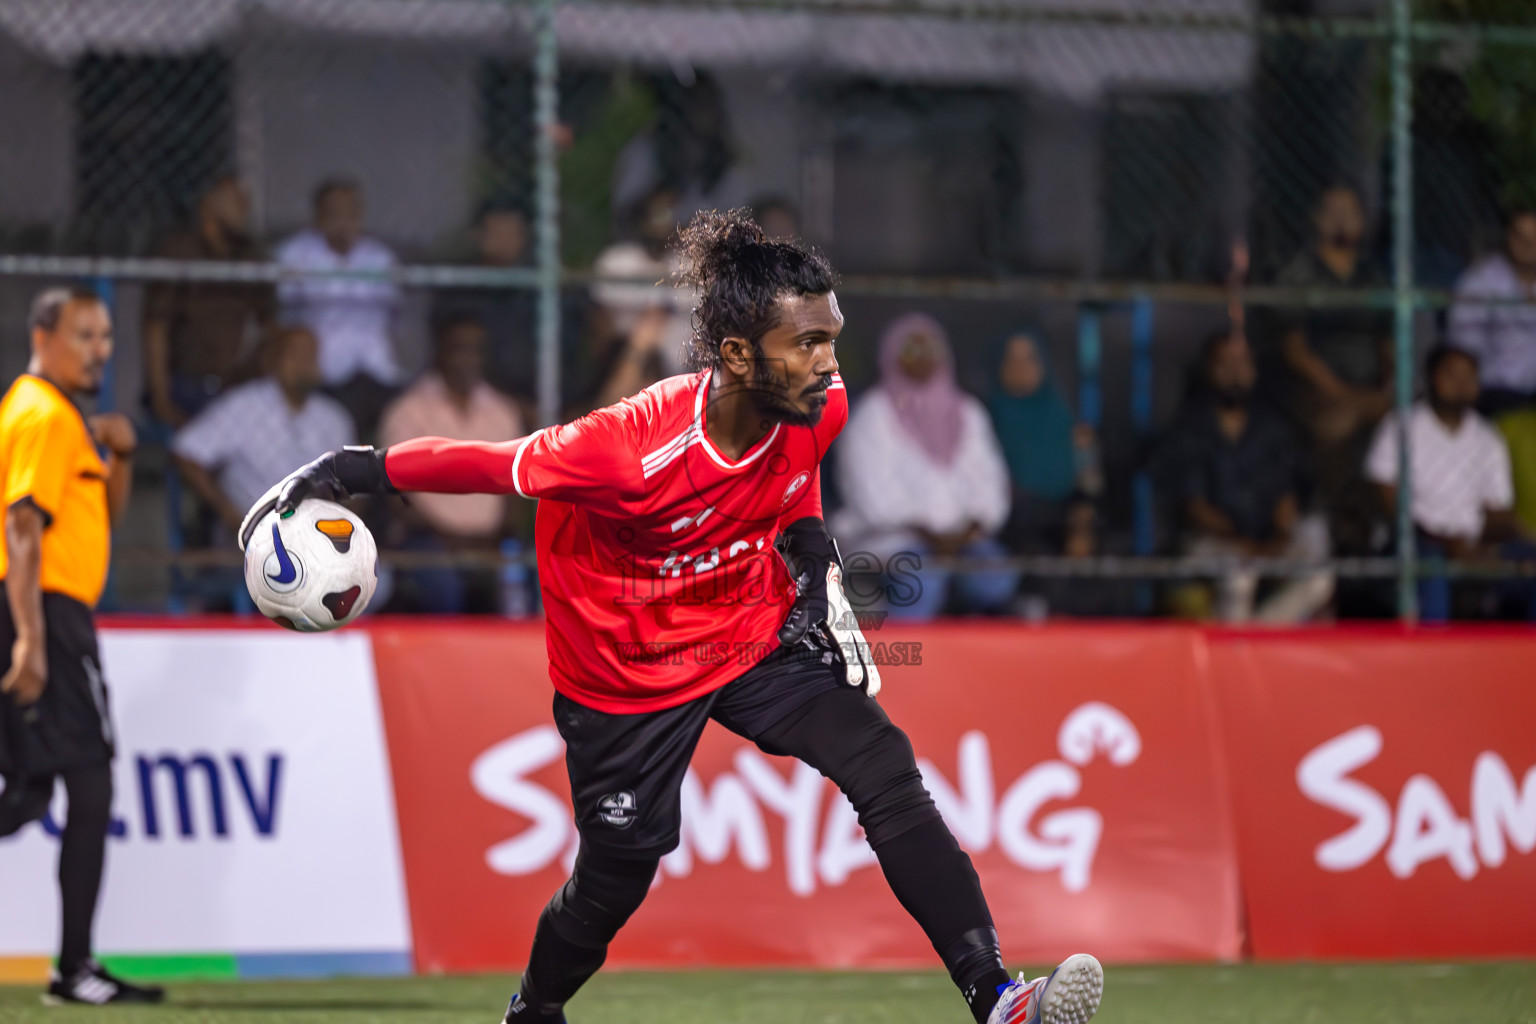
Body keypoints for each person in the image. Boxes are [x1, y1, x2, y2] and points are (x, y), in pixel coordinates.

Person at [247, 210, 1103, 1024]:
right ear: (737, 354)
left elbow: (794, 484)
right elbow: (491, 465)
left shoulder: (820, 406)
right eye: (807, 343)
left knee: (884, 767)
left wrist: (811, 558)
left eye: (832, 336)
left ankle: (997, 996)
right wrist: (342, 470)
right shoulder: (625, 448)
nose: (828, 362)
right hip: (625, 674)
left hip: (749, 633)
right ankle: (534, 1010)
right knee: (616, 878)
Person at [0, 288, 163, 1004]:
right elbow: (23, 526)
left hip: (46, 612)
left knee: (32, 791)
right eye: (84, 334)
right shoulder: (41, 413)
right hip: (45, 615)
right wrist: (32, 638)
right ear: (45, 334)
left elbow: (95, 520)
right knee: (89, 784)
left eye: (105, 336)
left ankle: (74, 967)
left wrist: (118, 458)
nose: (99, 349)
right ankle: (74, 969)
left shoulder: (63, 420)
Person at [833, 313, 1019, 621]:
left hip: (963, 539)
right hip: (892, 538)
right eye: (911, 350)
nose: (922, 359)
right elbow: (871, 497)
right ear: (891, 354)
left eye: (930, 350)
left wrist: (969, 527)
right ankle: (908, 666)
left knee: (996, 578)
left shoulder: (968, 413)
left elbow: (990, 484)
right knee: (922, 582)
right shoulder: (872, 415)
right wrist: (929, 532)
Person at [1166, 331, 1333, 624]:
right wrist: (1246, 545)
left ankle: (1255, 640)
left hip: (1266, 541)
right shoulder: (1189, 427)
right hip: (1211, 542)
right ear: (1208, 369)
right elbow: (1195, 509)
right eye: (1224, 364)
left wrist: (1278, 540)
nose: (1235, 373)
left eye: (1242, 363)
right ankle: (1236, 655)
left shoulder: (1271, 427)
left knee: (1319, 576)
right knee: (1239, 576)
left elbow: (1285, 496)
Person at [1365, 344, 1533, 621]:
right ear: (1431, 377)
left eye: (1469, 377)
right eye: (1452, 375)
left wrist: (1485, 544)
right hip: (1417, 542)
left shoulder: (1487, 437)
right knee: (1431, 565)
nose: (1461, 385)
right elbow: (1388, 502)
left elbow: (1498, 510)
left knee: (1528, 559)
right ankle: (1433, 657)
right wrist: (1445, 543)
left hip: (1472, 542)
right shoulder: (1401, 425)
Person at [1270, 183, 1394, 554]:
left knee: (1408, 419)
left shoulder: (1374, 276)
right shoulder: (1299, 273)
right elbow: (1294, 350)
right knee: (1336, 422)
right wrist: (1344, 393)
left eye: (1351, 212)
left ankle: (1388, 525)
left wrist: (1388, 384)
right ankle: (1340, 519)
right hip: (1317, 390)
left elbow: (1387, 341)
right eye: (1332, 211)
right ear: (1317, 220)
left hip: (1370, 389)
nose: (1342, 219)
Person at [378, 315, 526, 613]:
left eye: (476, 350)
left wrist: (497, 535)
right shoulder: (409, 411)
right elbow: (396, 493)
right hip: (428, 540)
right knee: (442, 586)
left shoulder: (504, 411)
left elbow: (519, 484)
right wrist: (450, 538)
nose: (468, 358)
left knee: (521, 581)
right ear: (440, 352)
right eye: (459, 348)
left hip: (492, 542)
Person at [173, 326, 355, 542]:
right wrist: (228, 513)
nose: (304, 363)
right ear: (273, 360)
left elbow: (355, 483)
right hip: (252, 538)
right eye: (296, 354)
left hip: (319, 539)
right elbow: (186, 451)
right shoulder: (242, 405)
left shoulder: (333, 416)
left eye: (310, 355)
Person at [143, 174, 274, 427]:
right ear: (208, 204)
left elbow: (269, 324)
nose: (243, 208)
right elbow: (155, 328)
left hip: (234, 383)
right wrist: (161, 397)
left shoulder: (250, 254)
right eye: (235, 200)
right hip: (184, 381)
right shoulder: (180, 251)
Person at [275, 177, 400, 436]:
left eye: (351, 210)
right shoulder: (294, 254)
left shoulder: (380, 258)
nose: (344, 219)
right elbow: (283, 314)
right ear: (319, 215)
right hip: (325, 371)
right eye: (335, 210)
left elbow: (393, 316)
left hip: (375, 369)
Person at [432, 203, 539, 411]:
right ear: (478, 236)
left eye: (513, 233)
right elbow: (455, 356)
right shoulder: (459, 287)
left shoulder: (534, 289)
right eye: (497, 232)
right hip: (480, 396)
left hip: (532, 395)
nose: (505, 241)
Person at [987, 327, 1083, 554]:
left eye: (1030, 358)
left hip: (1062, 531)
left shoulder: (1066, 422)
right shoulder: (980, 422)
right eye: (1012, 359)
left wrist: (1080, 521)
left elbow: (1089, 485)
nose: (1021, 368)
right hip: (1006, 532)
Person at [1447, 207, 1536, 416]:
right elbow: (1464, 348)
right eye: (1520, 236)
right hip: (1494, 392)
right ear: (1507, 236)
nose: (1529, 245)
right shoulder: (1478, 281)